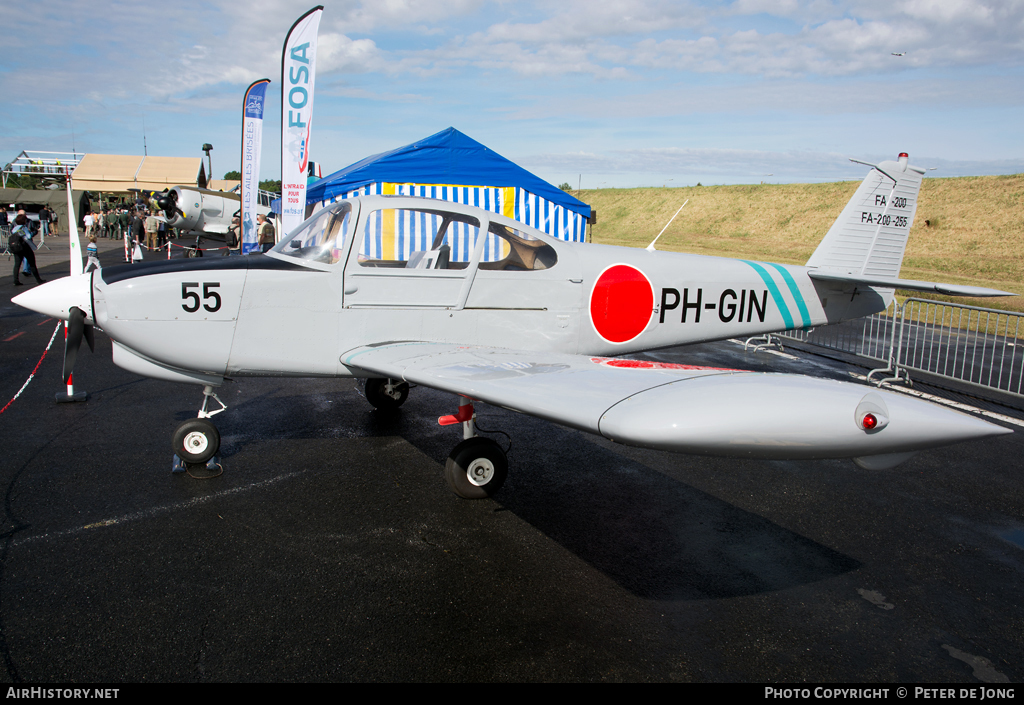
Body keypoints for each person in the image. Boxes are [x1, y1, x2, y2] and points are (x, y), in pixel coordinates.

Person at [10, 213, 44, 286]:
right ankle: (38, 279)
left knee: (17, 264)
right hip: (25, 247)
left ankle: (15, 280)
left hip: (16, 247)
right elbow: (28, 236)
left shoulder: (14, 229)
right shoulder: (23, 228)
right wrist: (32, 233)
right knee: (32, 263)